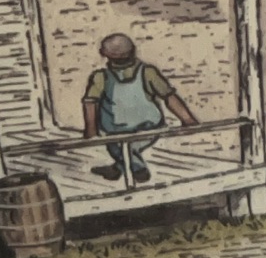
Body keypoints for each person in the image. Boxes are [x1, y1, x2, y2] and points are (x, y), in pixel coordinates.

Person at [82, 34, 197, 188]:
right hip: (117, 132)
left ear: (104, 54)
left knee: (123, 149)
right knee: (121, 148)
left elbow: (168, 96)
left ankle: (136, 169)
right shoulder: (103, 77)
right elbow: (169, 96)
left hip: (144, 129)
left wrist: (187, 119)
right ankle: (121, 169)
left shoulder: (145, 72)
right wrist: (187, 119)